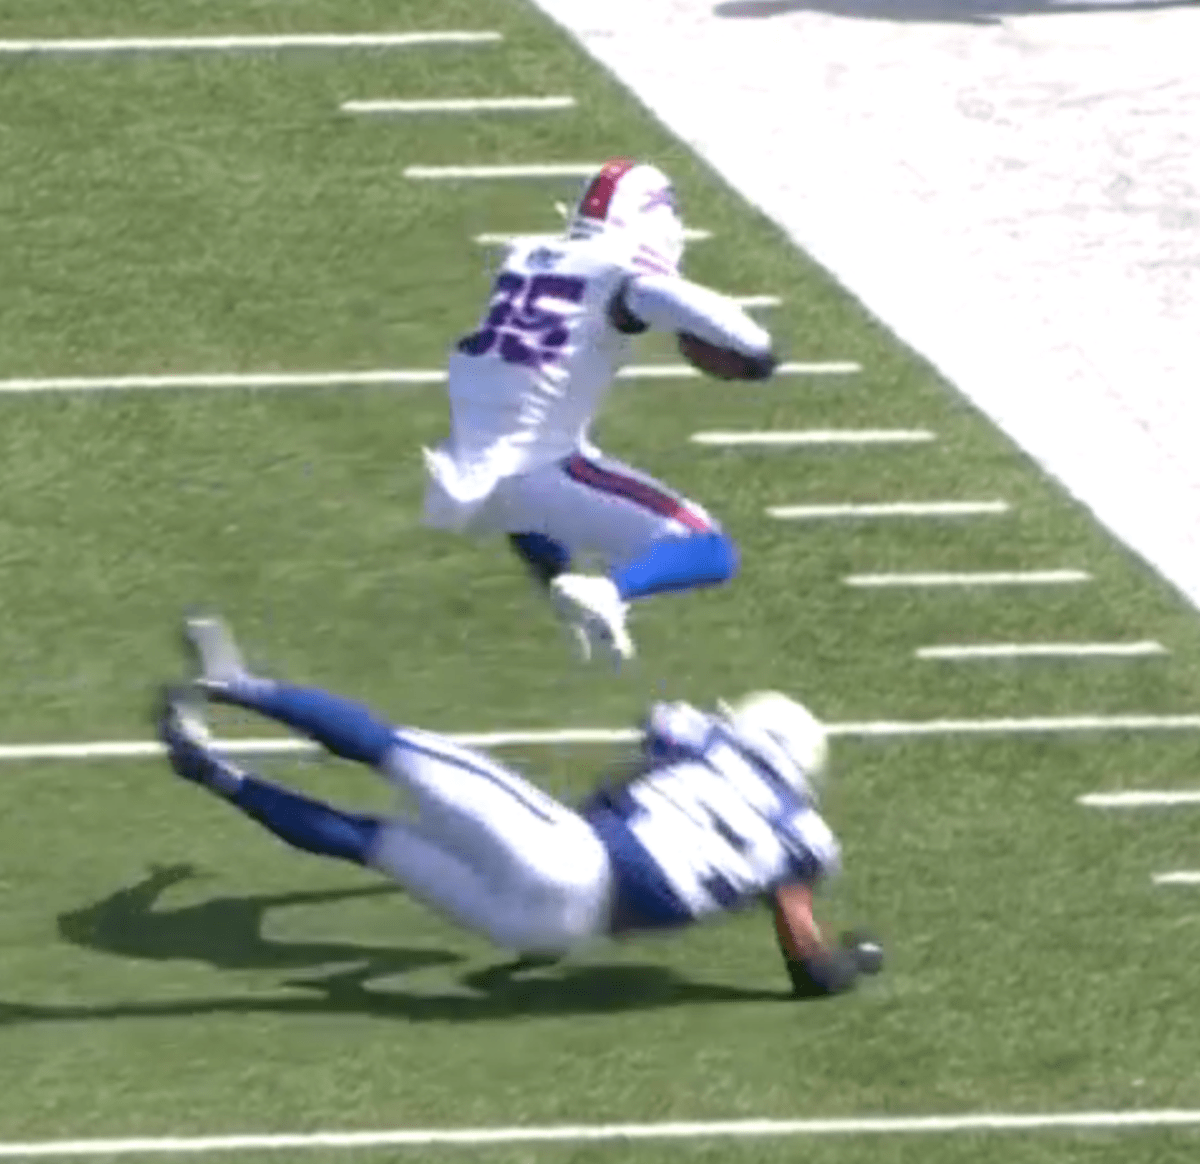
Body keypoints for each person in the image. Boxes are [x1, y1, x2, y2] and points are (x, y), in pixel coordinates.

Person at [156, 615, 882, 998]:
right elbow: (809, 967)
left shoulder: (706, 739)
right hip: (548, 928)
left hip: (574, 855)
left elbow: (645, 754)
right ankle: (210, 771)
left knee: (385, 747)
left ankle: (234, 684)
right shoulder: (805, 842)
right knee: (366, 839)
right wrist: (857, 961)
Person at [421, 157, 779, 665]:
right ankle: (610, 593)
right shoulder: (622, 271)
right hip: (540, 468)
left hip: (466, 464)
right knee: (708, 548)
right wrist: (760, 356)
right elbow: (738, 339)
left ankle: (563, 586)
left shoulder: (523, 256)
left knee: (533, 490)